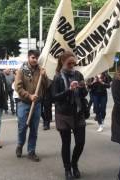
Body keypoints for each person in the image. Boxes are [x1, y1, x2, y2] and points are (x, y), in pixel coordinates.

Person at [52, 51, 88, 180]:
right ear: (63, 62)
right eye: (69, 63)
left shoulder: (78, 74)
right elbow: (54, 97)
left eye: (74, 63)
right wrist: (69, 90)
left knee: (80, 143)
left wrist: (83, 87)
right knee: (66, 143)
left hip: (78, 113)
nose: (72, 65)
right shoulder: (57, 77)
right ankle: (67, 169)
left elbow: (83, 94)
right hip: (63, 114)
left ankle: (74, 164)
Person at [14, 50, 48, 162]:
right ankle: (20, 145)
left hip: (37, 105)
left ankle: (31, 151)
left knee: (34, 129)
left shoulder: (41, 70)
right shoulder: (21, 71)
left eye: (36, 58)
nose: (35, 60)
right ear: (28, 57)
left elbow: (46, 85)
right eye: (33, 57)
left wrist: (44, 76)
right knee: (22, 127)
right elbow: (18, 87)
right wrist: (29, 96)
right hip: (24, 103)